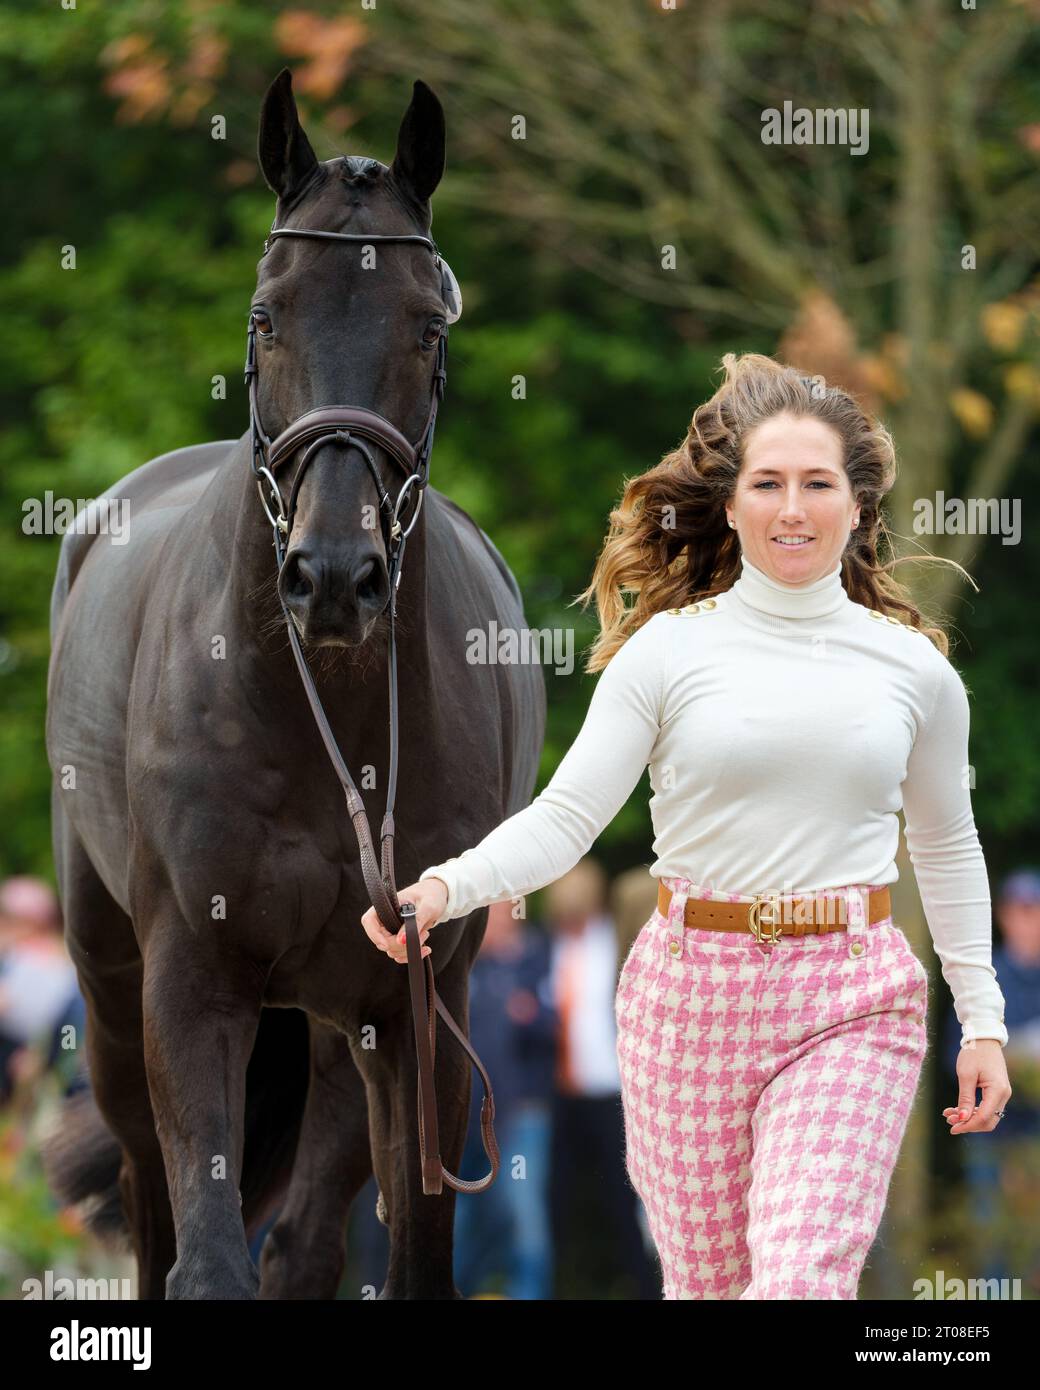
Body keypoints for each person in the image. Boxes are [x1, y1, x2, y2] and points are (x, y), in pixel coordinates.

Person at [361, 351, 1011, 1300]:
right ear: (733, 502)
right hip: (687, 999)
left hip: (853, 994)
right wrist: (449, 887)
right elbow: (568, 817)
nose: (794, 508)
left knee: (798, 1277)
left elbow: (948, 844)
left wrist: (982, 1017)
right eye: (769, 483)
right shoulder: (667, 653)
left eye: (818, 483)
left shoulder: (914, 672)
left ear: (860, 506)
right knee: (708, 1288)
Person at [942, 867, 1040, 1289]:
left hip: (1035, 1135)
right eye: (1020, 910)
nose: (1028, 919)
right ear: (1003, 916)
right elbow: (954, 1055)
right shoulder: (982, 980)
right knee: (993, 1245)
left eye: (1034, 910)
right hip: (992, 1132)